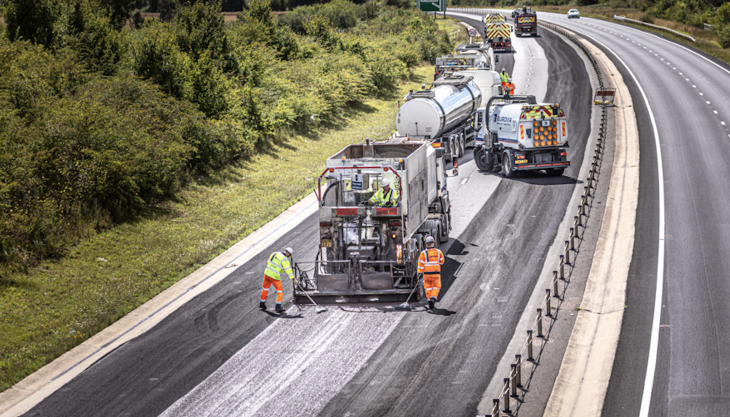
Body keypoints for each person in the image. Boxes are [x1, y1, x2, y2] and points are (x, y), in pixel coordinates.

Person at [260, 247, 295, 313]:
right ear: (288, 254)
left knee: (265, 289)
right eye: (289, 255)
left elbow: (269, 261)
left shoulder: (275, 253)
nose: (289, 256)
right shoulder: (284, 259)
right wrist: (293, 278)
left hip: (267, 274)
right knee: (280, 291)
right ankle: (278, 307)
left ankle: (262, 303)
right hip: (275, 277)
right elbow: (288, 270)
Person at [417, 236, 445, 309]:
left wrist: (419, 273)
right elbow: (442, 261)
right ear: (433, 242)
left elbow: (420, 265)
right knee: (437, 286)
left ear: (426, 243)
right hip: (436, 274)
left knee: (427, 288)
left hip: (427, 275)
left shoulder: (423, 253)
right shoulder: (439, 252)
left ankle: (429, 300)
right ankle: (433, 298)